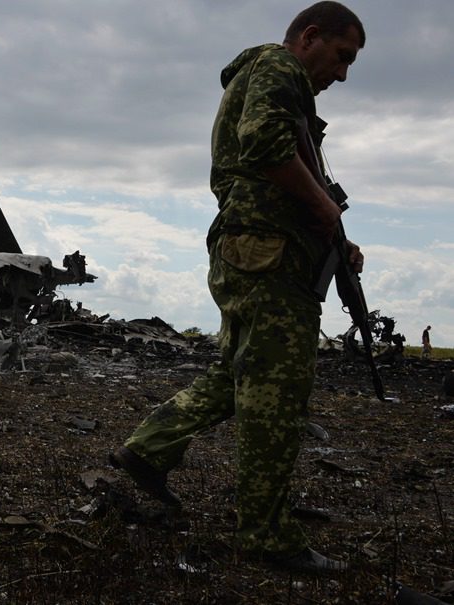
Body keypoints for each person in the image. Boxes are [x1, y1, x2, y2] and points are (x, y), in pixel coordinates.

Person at [110, 2, 365, 574]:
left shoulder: (278, 82)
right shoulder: (279, 66)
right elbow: (266, 145)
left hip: (258, 248)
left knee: (234, 373)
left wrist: (335, 236)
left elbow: (281, 164)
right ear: (311, 36)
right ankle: (267, 535)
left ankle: (147, 452)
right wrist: (321, 204)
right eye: (341, 57)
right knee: (276, 390)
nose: (343, 74)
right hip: (269, 255)